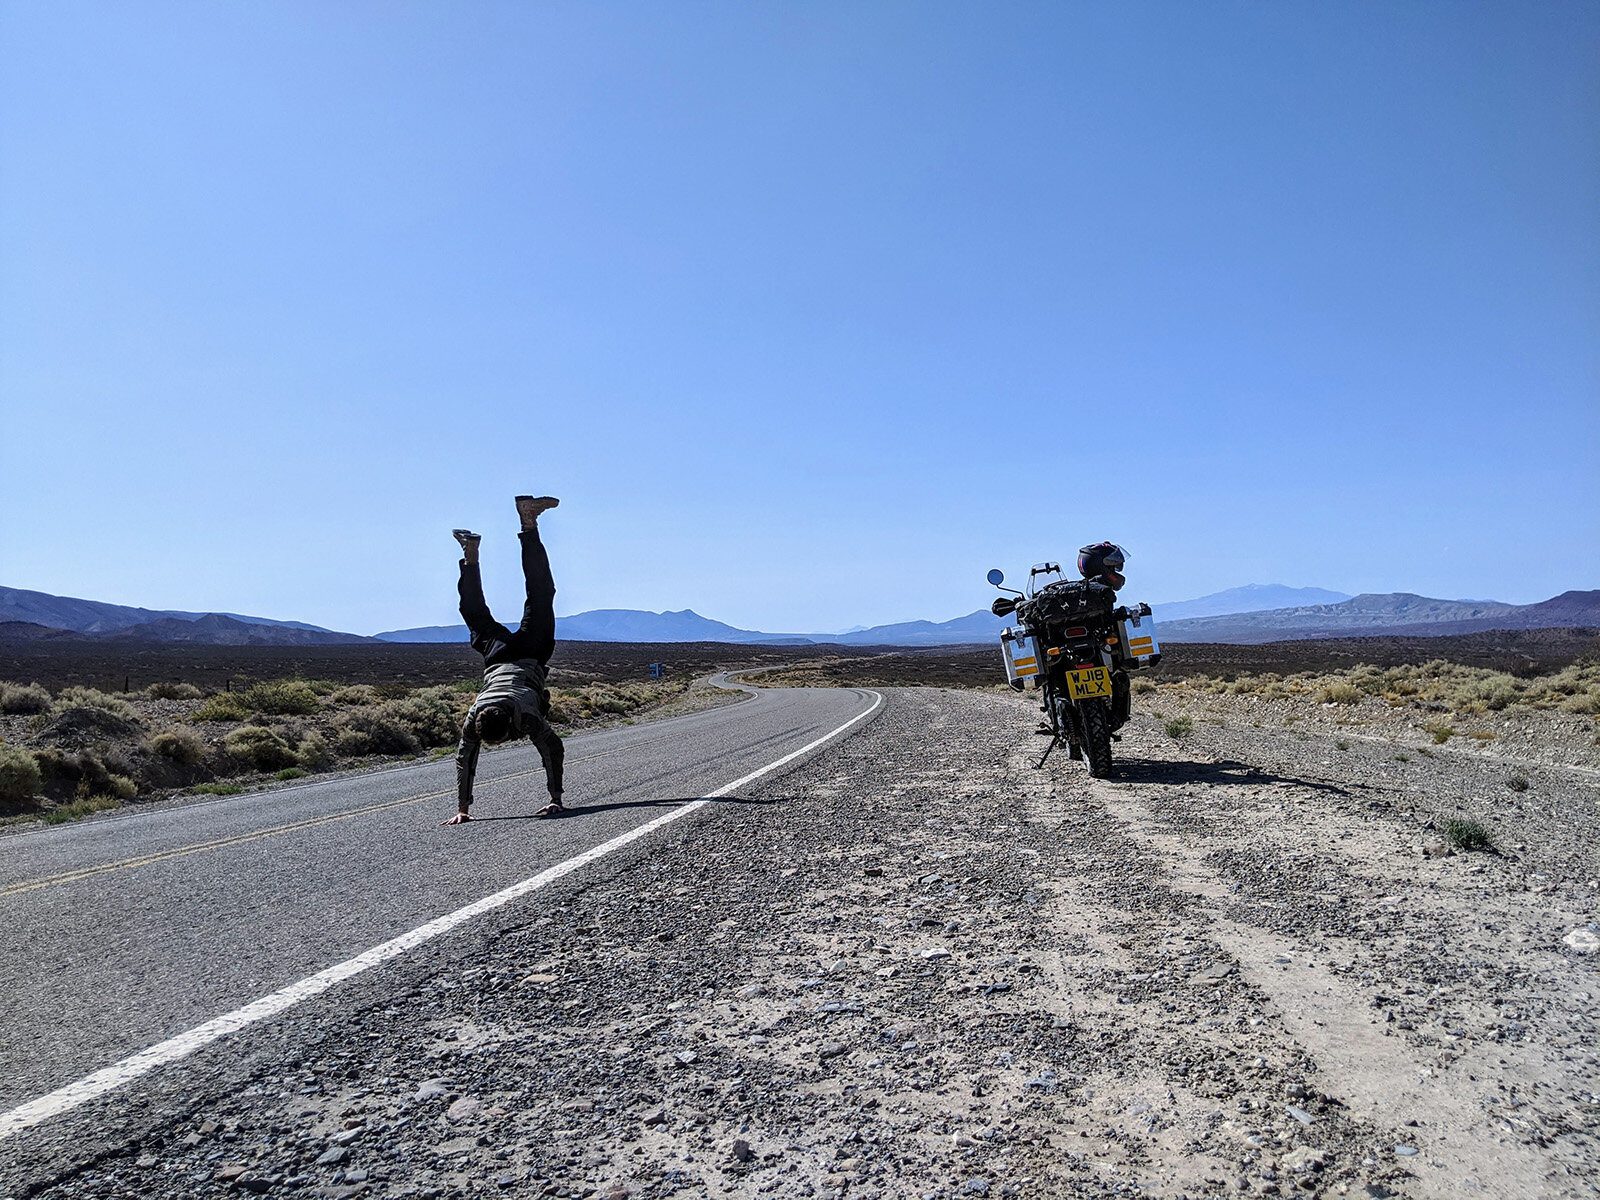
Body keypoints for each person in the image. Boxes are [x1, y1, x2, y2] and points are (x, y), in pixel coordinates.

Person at [443, 495, 566, 825]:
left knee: (540, 593)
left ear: (512, 723)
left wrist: (555, 800)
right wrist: (462, 809)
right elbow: (465, 756)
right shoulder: (475, 717)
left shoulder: (525, 716)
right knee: (475, 614)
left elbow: (552, 749)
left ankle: (520, 526)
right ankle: (472, 551)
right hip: (497, 658)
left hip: (528, 655)